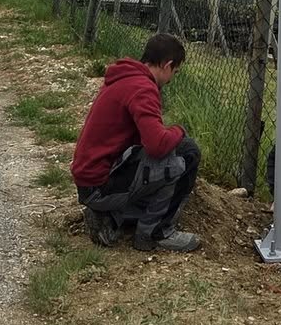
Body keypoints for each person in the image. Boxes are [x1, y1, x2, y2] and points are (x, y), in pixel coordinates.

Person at [70, 33, 201, 253]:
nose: (172, 79)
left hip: (91, 180)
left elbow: (143, 139)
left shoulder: (126, 78)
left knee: (172, 152)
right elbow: (157, 146)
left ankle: (112, 217)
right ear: (167, 65)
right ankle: (156, 232)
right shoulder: (143, 88)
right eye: (175, 72)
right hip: (99, 186)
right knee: (186, 154)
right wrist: (179, 130)